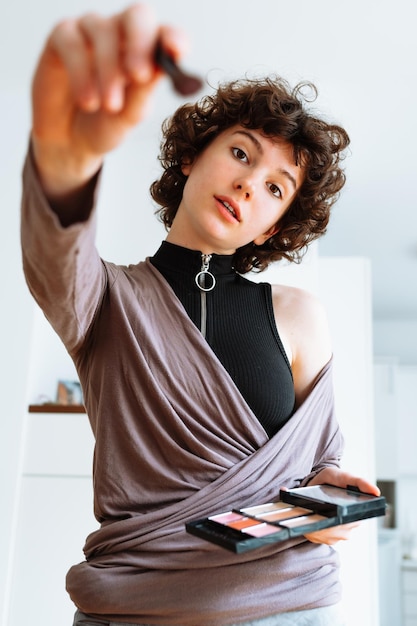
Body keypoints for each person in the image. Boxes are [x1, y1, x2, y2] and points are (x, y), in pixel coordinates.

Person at [20, 3, 380, 625]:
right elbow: (54, 250)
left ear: (278, 223)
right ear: (191, 157)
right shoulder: (104, 298)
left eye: (275, 188)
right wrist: (65, 158)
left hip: (288, 603)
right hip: (135, 606)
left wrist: (331, 493)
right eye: (241, 154)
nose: (249, 185)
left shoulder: (300, 315)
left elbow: (320, 459)